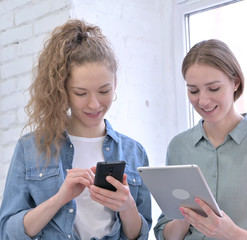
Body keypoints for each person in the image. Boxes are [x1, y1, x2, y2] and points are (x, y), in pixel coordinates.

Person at [0, 19, 152, 240]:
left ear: (115, 83)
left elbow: (140, 235)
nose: (94, 104)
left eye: (104, 91)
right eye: (81, 93)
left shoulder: (134, 152)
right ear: (63, 90)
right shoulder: (30, 148)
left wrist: (127, 206)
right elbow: (7, 232)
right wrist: (59, 199)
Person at [153, 39, 247, 240]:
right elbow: (166, 234)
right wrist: (186, 214)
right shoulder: (178, 147)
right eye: (193, 90)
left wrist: (233, 234)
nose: (203, 100)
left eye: (213, 88)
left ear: (235, 83)